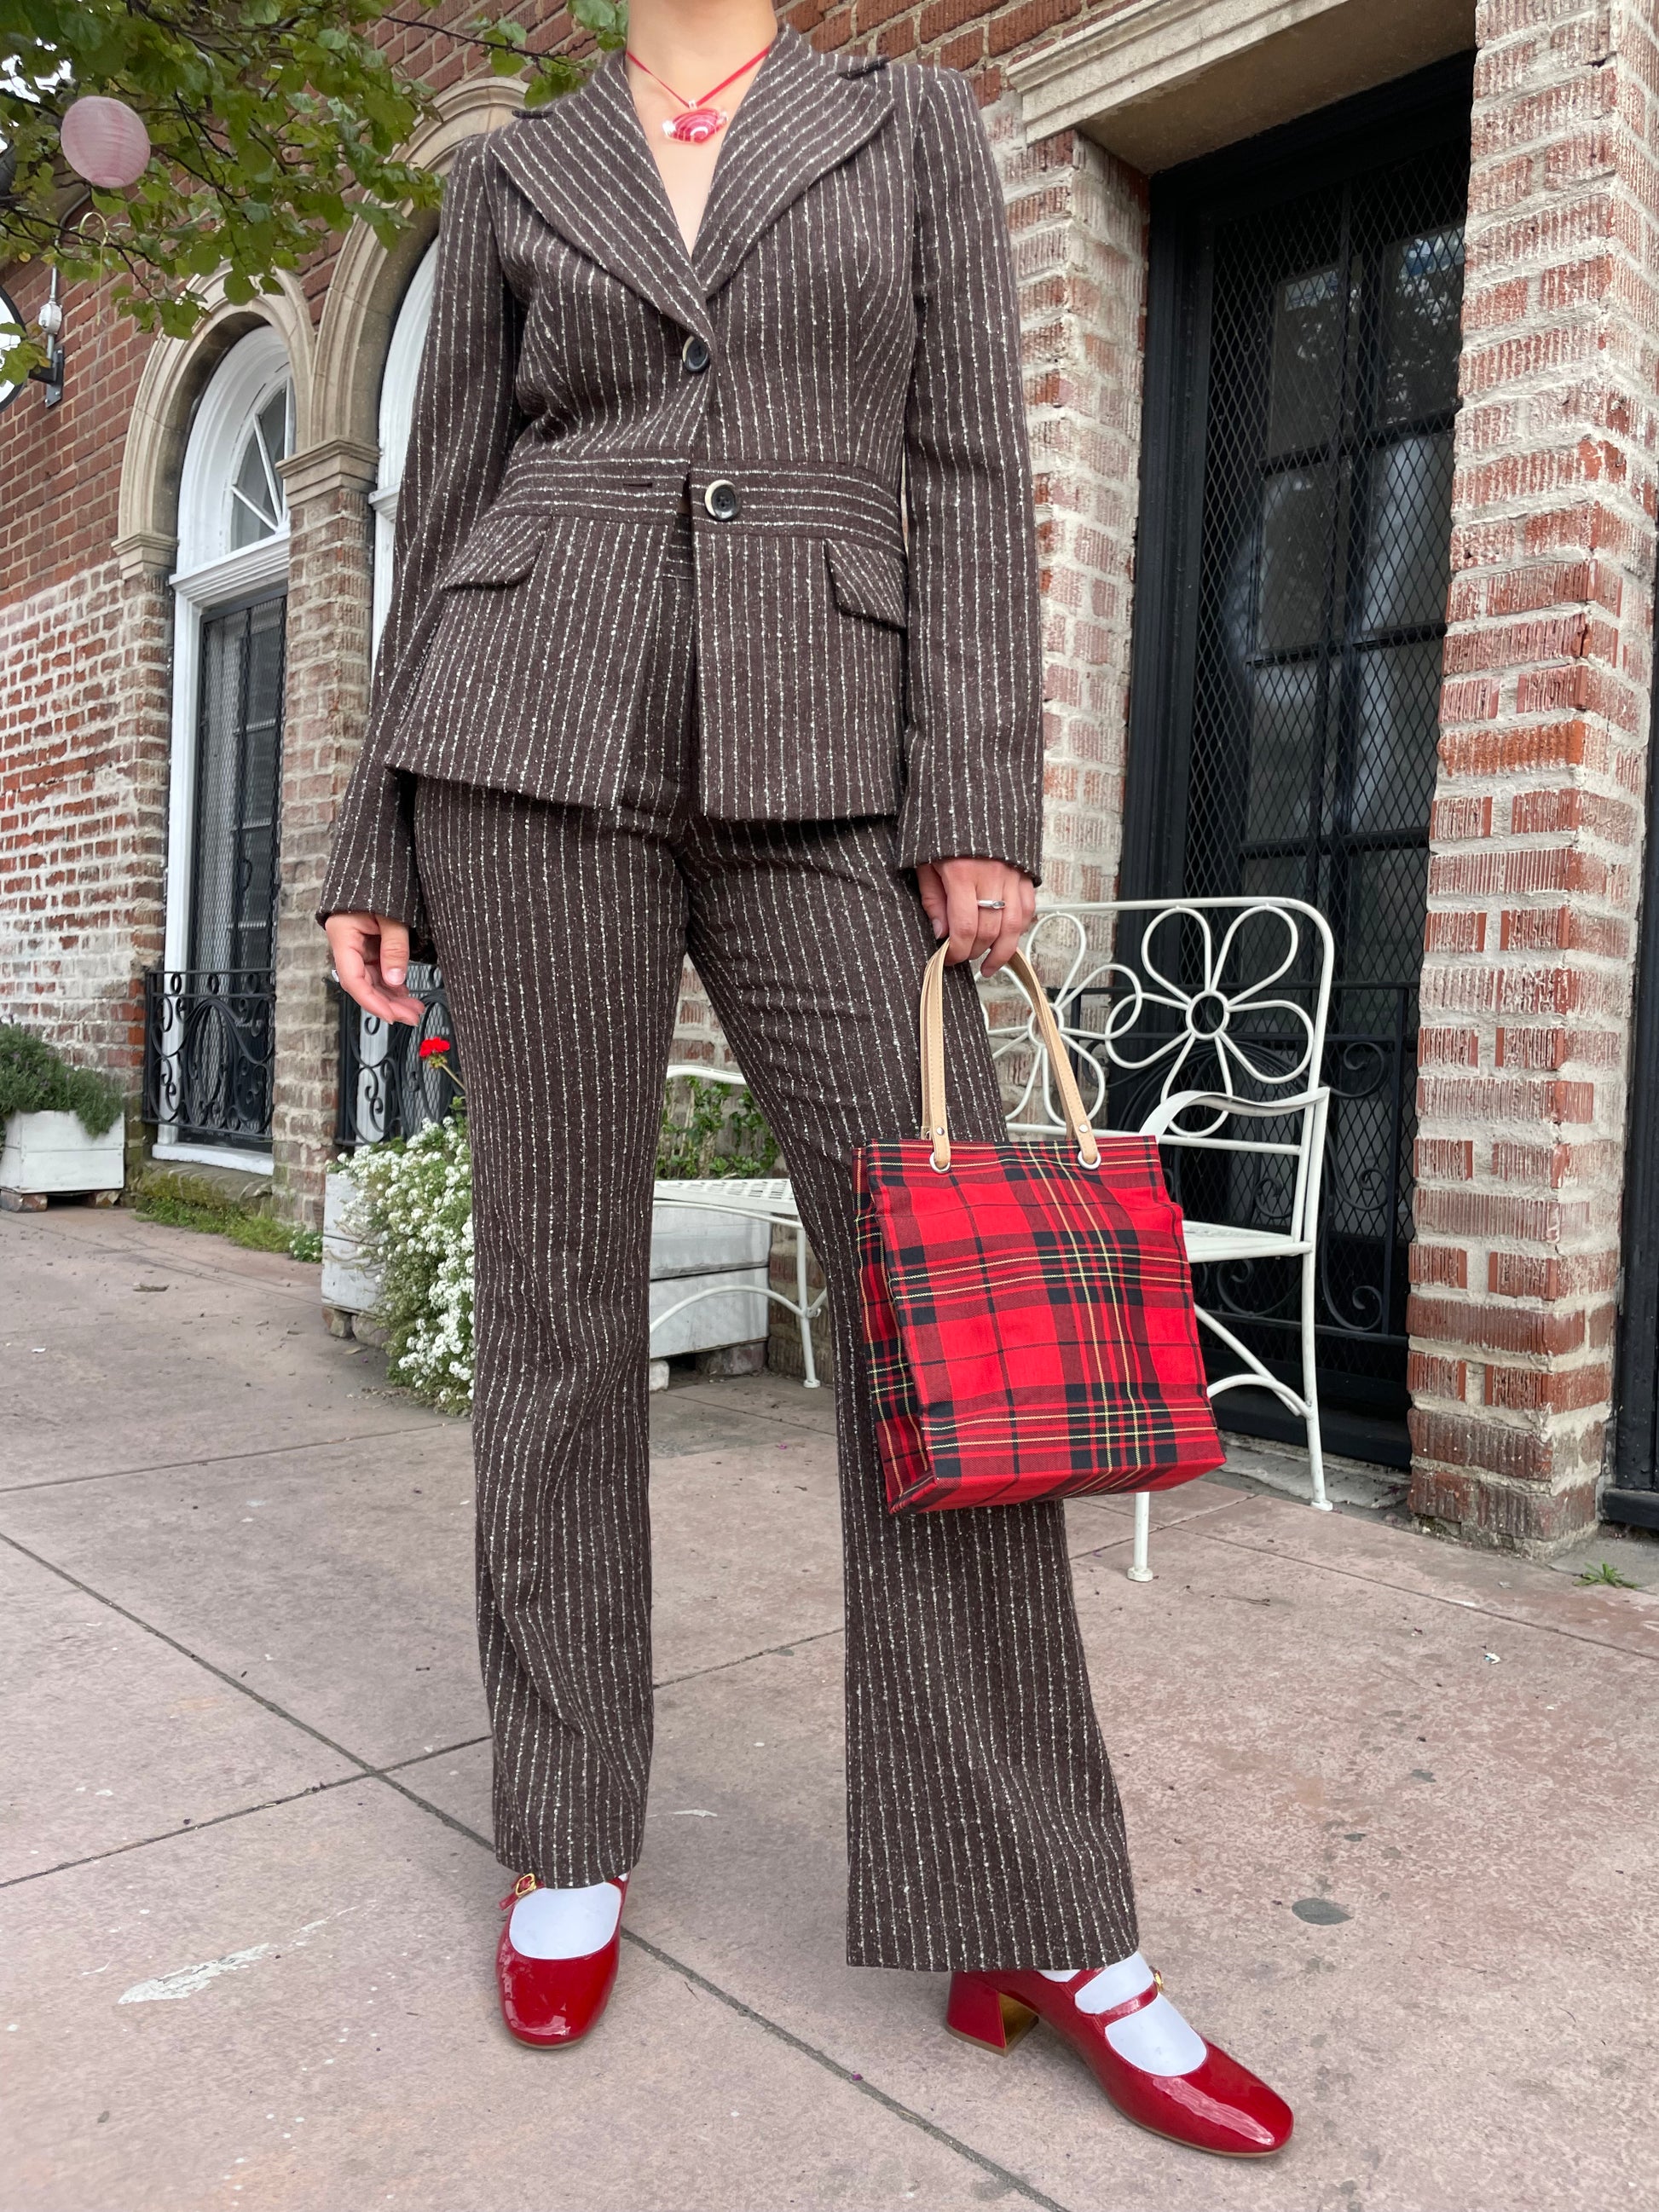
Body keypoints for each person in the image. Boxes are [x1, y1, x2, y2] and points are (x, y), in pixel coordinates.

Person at [320, 0, 1292, 2157]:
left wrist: (977, 790)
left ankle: (1035, 1908)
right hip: (523, 737)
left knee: (939, 1329)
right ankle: (566, 1828)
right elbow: (441, 506)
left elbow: (969, 461)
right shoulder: (508, 170)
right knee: (557, 1314)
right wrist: (370, 836)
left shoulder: (911, 126)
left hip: (833, 755)